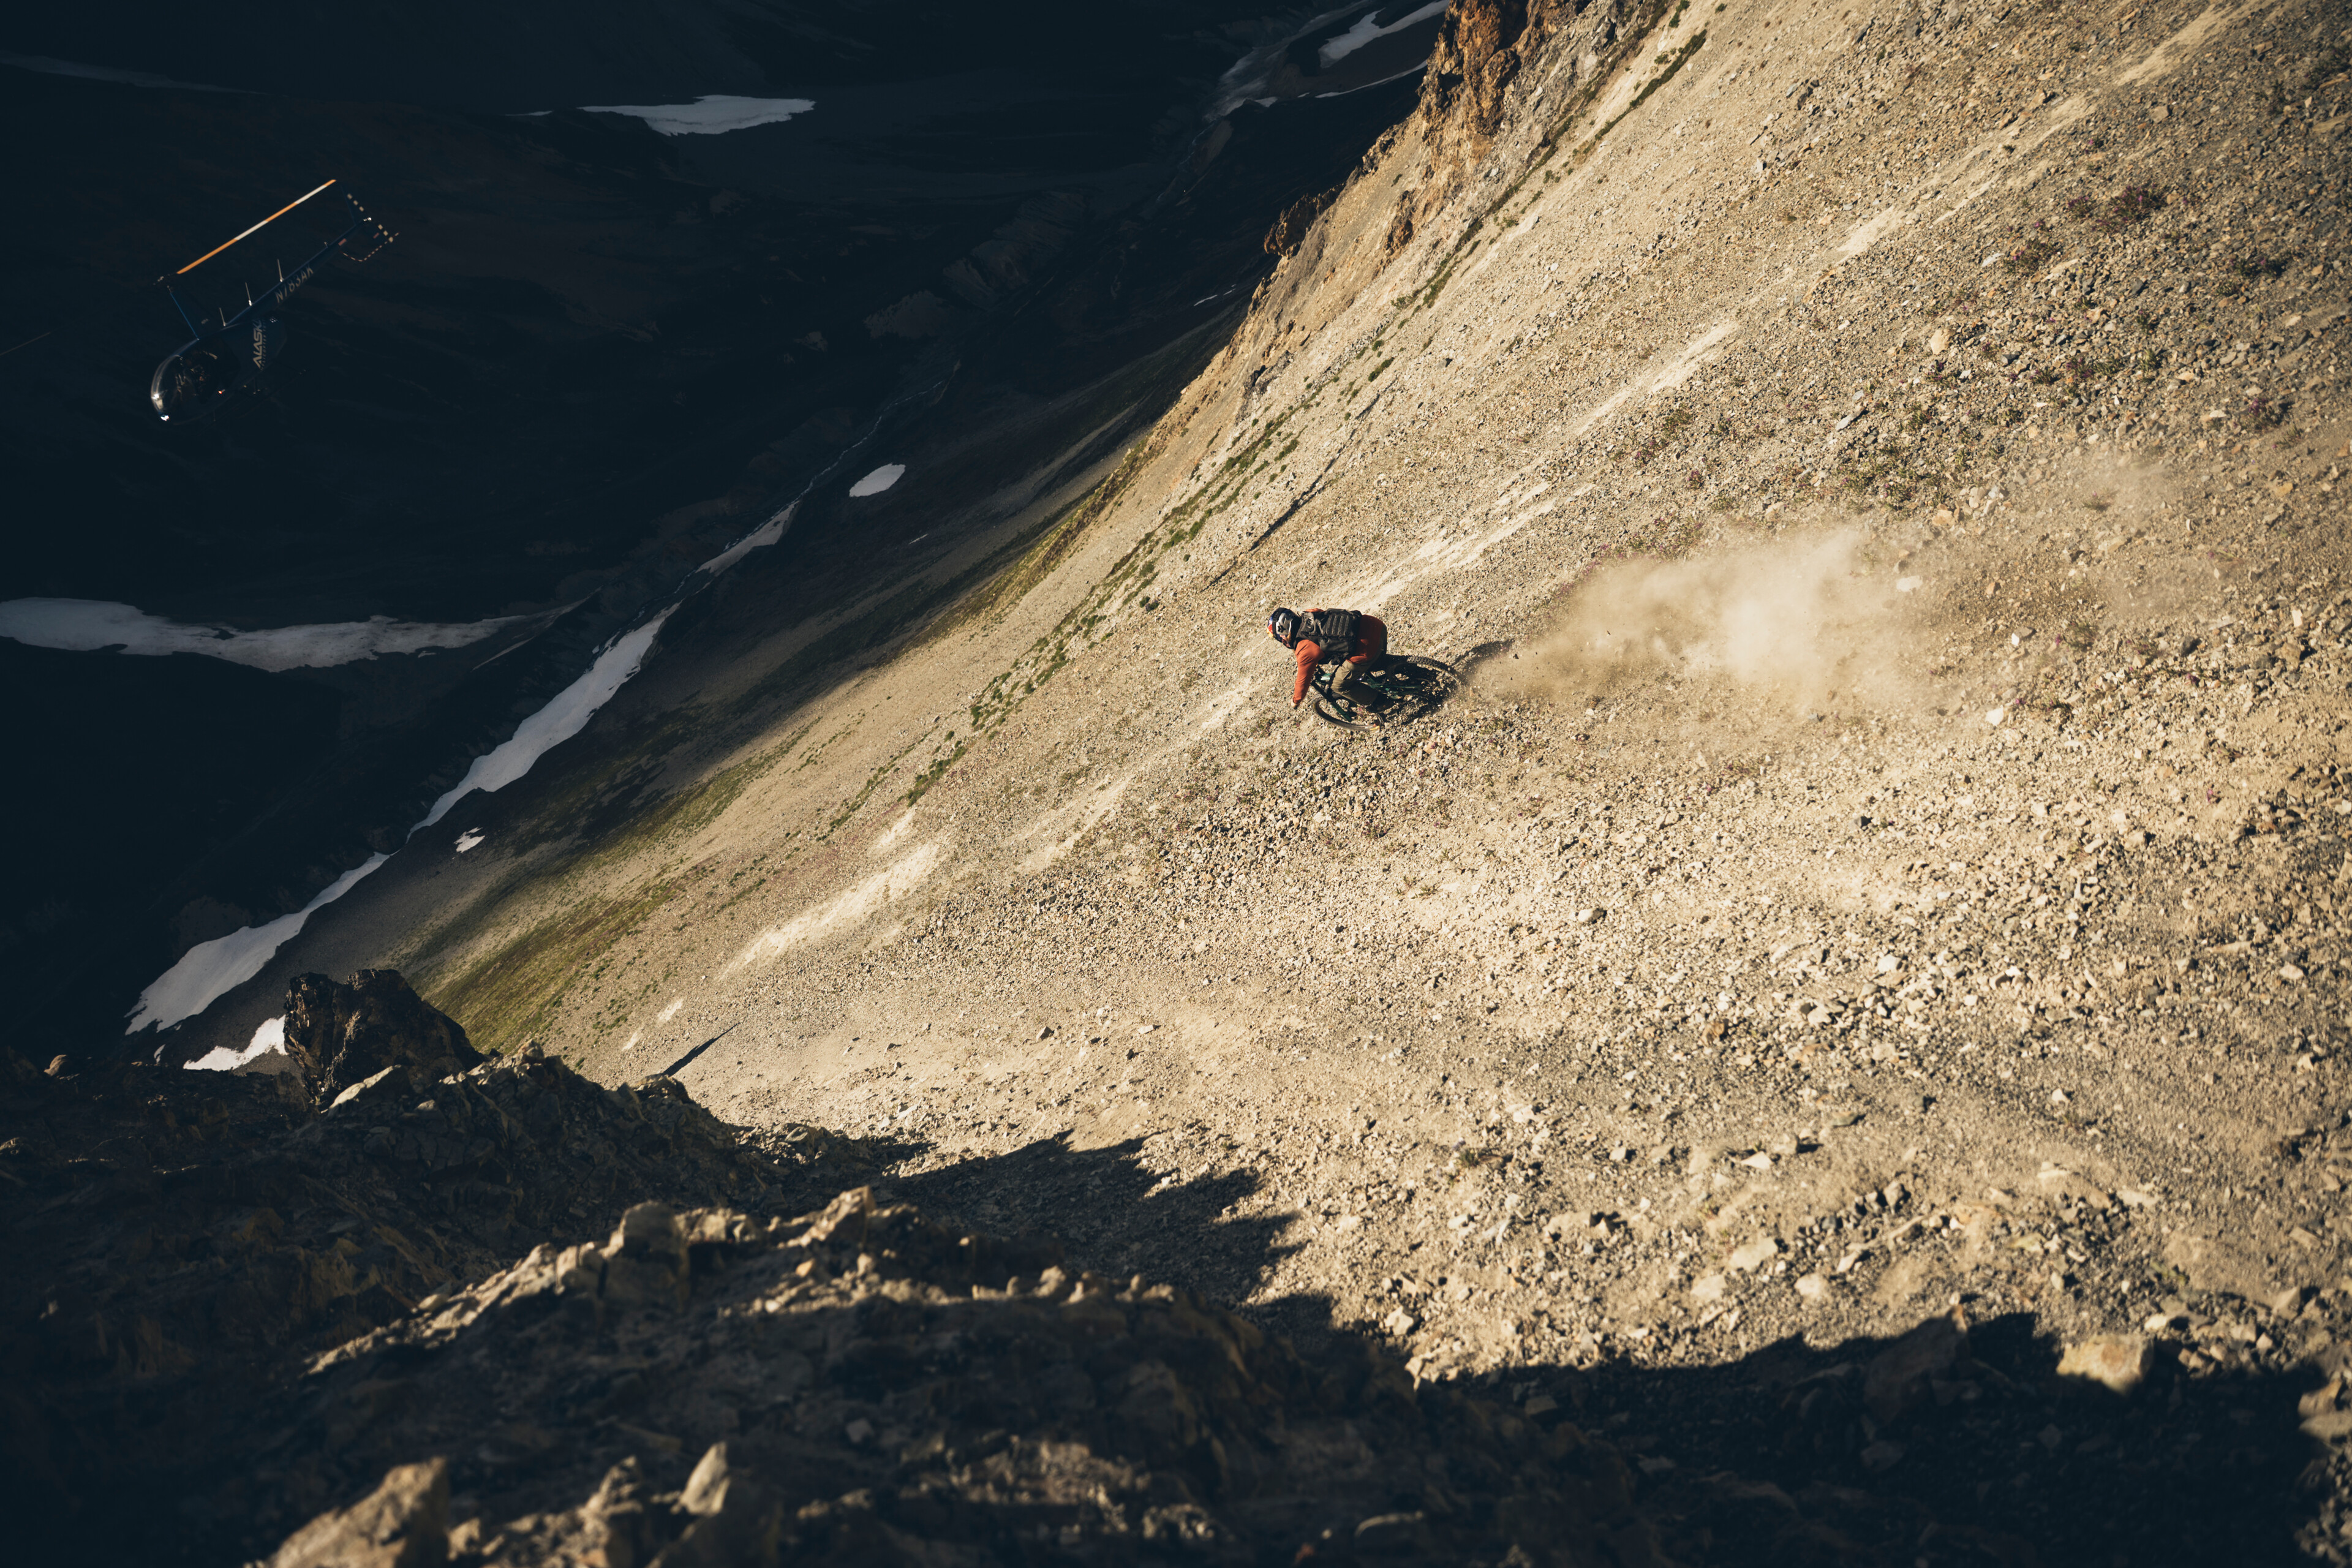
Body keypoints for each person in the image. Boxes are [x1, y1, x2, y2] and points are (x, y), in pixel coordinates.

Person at [1267, 605, 1387, 707]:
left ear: (1283, 635)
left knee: (1338, 685)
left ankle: (1380, 702)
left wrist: (1296, 701)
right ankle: (1396, 666)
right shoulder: (1311, 613)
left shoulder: (1304, 650)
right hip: (1375, 625)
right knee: (1375, 663)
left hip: (1367, 648)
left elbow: (1302, 681)